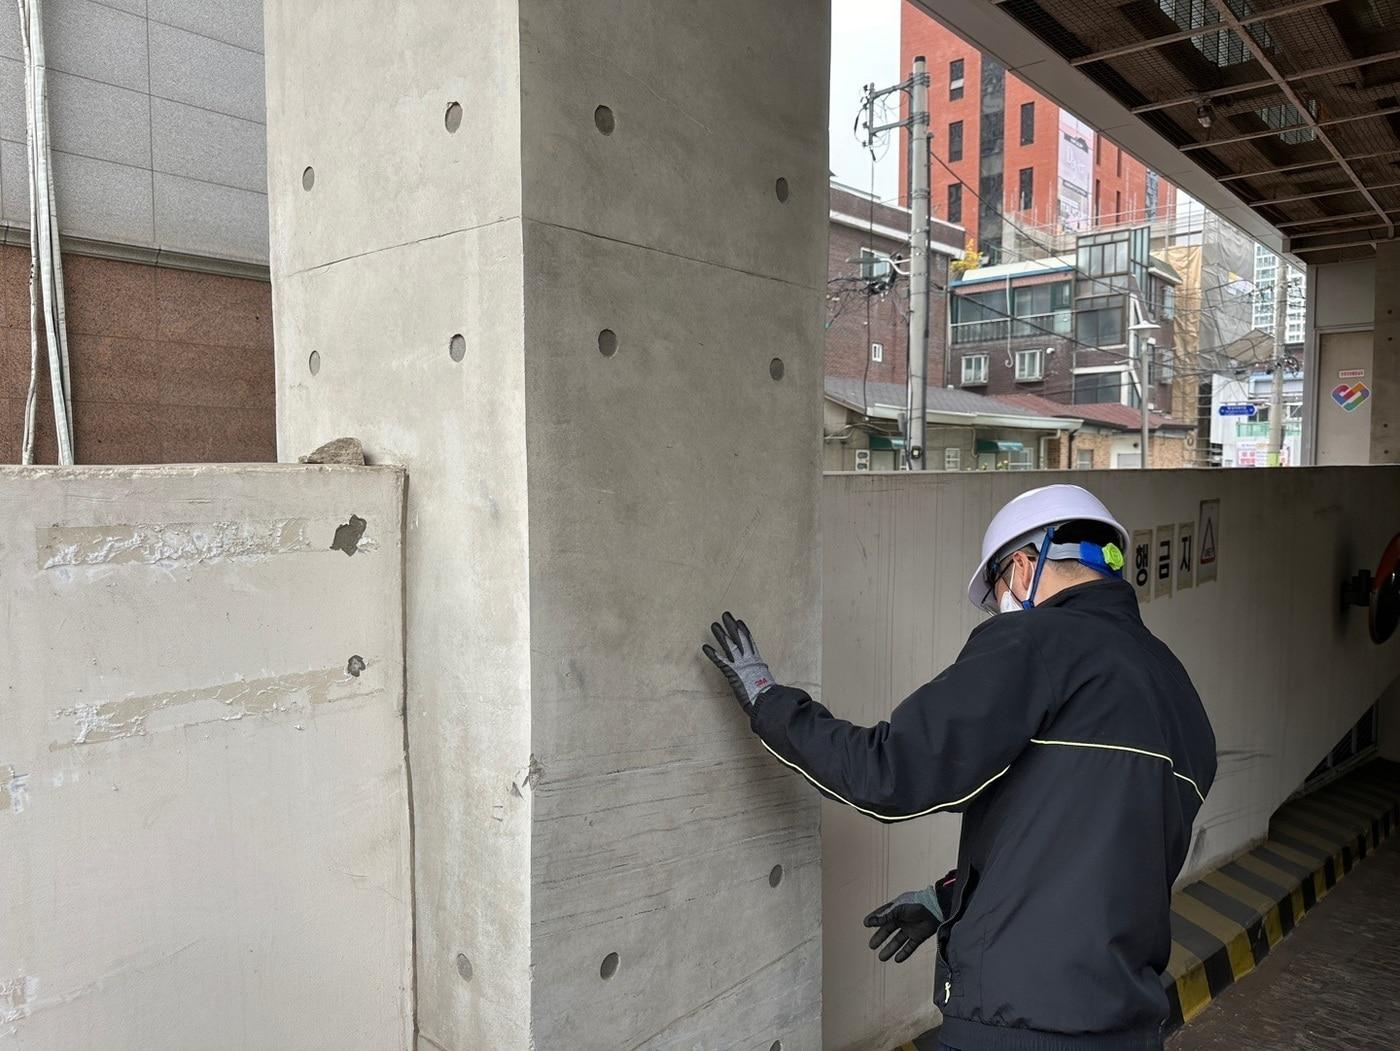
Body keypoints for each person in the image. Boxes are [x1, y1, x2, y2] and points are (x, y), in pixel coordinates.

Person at [702, 484, 1216, 1051]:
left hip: (1017, 1023)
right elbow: (1092, 846)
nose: (1000, 609)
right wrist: (947, 898)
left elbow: (890, 773)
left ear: (1022, 568)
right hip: (1129, 1028)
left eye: (996, 593)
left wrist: (771, 704)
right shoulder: (1179, 692)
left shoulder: (1035, 641)